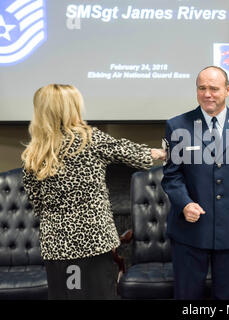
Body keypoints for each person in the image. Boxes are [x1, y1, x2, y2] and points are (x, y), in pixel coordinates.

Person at [21, 84, 166, 299]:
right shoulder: (90, 139)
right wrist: (158, 153)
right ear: (71, 108)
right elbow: (130, 153)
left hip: (56, 244)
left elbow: (37, 202)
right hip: (94, 242)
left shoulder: (34, 152)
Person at [161, 66, 229, 300]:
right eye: (202, 88)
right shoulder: (178, 126)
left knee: (228, 296)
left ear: (228, 90)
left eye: (214, 88)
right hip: (190, 228)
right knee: (187, 296)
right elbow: (172, 176)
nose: (207, 94)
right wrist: (184, 203)